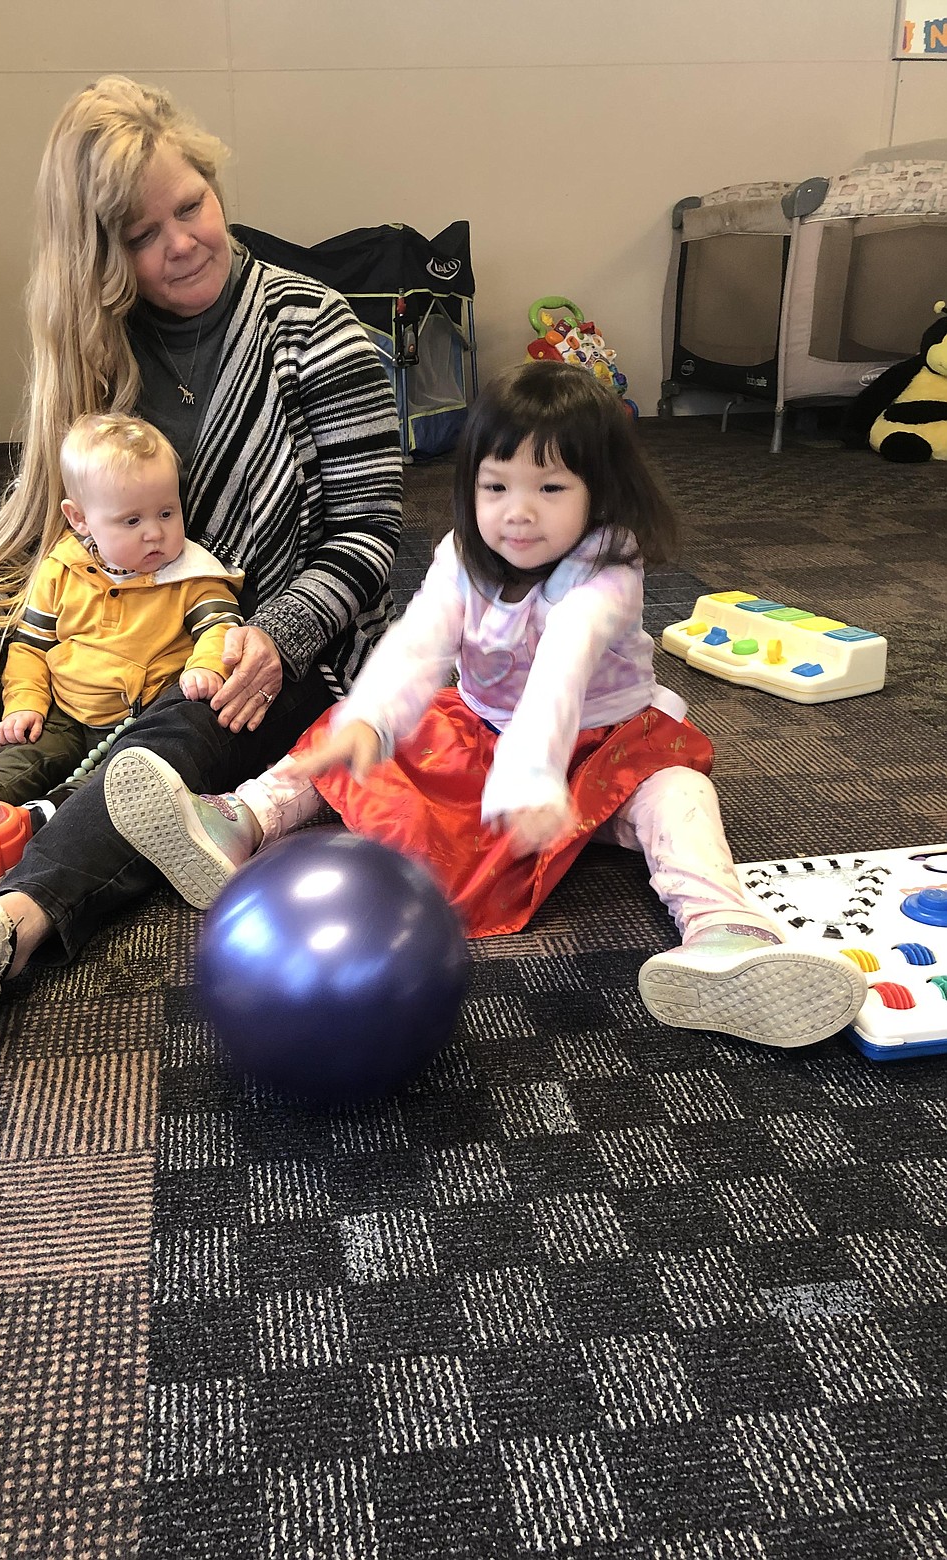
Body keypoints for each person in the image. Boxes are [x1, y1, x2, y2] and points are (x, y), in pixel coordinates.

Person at [0, 76, 401, 1039]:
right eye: (142, 235)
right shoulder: (88, 343)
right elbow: (32, 537)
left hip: (247, 653)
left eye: (191, 205)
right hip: (82, 638)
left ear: (214, 182)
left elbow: (368, 539)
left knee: (155, 764)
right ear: (100, 254)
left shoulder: (319, 333)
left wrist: (275, 634)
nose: (182, 241)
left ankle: (0, 937)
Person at [103, 361, 868, 1050]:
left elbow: (565, 663)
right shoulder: (460, 555)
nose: (518, 513)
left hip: (603, 750)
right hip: (480, 735)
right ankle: (240, 819)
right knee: (347, 725)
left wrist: (535, 771)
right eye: (496, 487)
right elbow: (417, 644)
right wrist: (371, 718)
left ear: (601, 493)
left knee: (682, 794)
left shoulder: (609, 563)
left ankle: (723, 937)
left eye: (551, 488)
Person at [0, 413, 244, 817]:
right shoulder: (62, 566)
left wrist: (206, 667)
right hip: (66, 708)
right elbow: (30, 645)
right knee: (27, 753)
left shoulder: (192, 573)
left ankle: (59, 811)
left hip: (142, 716)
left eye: (167, 513)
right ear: (79, 519)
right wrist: (25, 702)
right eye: (132, 521)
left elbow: (221, 628)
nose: (154, 532)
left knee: (119, 773)